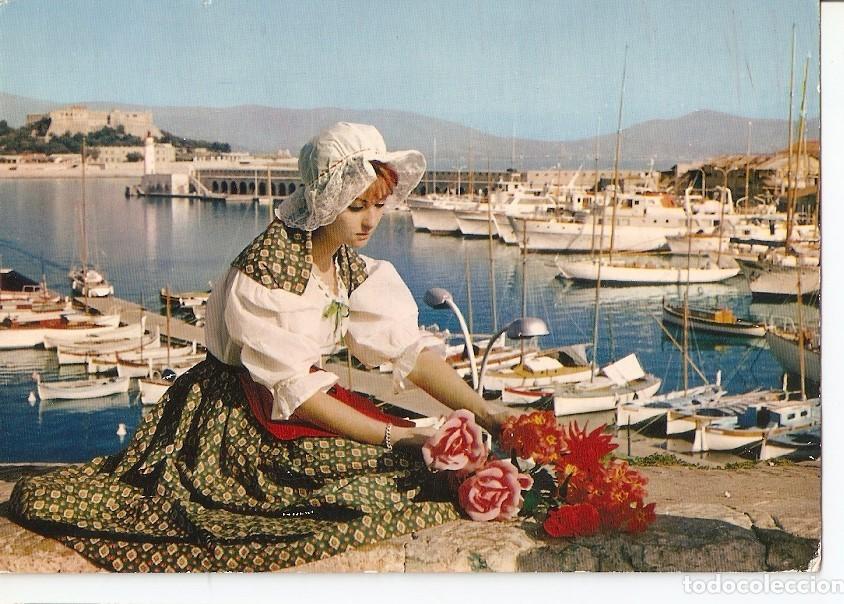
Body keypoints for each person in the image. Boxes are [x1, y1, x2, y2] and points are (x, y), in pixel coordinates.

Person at [10, 122, 512, 572]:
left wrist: (486, 412)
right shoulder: (266, 274)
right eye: (356, 206)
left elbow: (410, 353)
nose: (370, 220)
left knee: (408, 470)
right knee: (370, 484)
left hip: (289, 406)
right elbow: (297, 392)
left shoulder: (349, 270)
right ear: (324, 202)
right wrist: (394, 436)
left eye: (378, 205)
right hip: (232, 419)